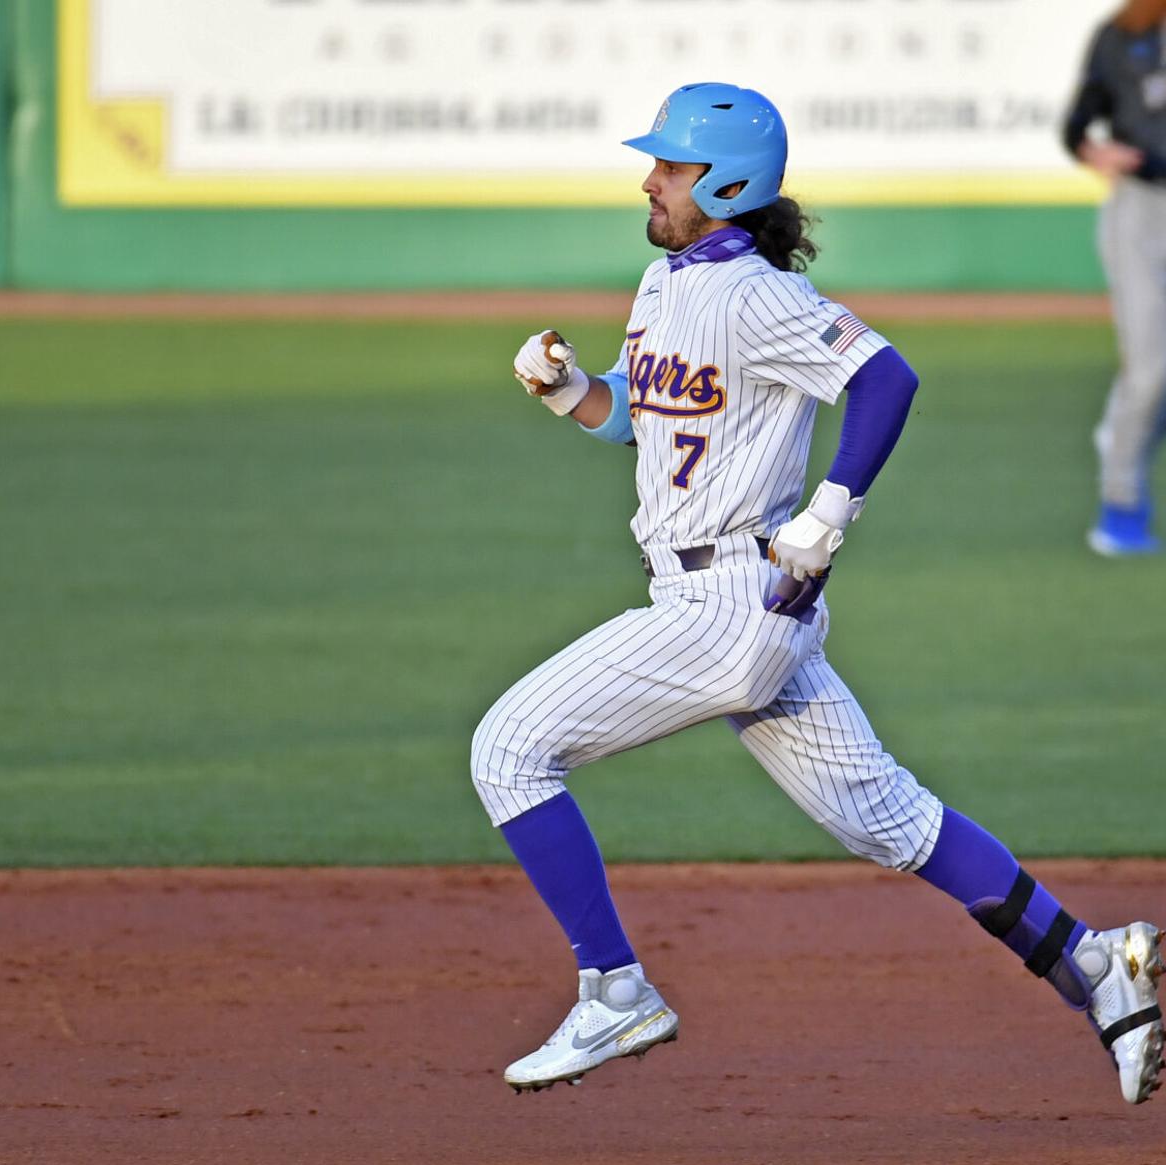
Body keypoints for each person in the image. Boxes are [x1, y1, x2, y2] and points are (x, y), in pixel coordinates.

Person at [470, 82, 1163, 1102]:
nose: (651, 179)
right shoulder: (665, 284)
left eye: (670, 166)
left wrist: (830, 512)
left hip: (725, 609)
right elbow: (642, 416)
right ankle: (1098, 966)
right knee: (889, 817)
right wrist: (572, 391)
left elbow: (887, 378)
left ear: (729, 182)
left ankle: (615, 989)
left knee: (509, 750)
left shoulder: (759, 296)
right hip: (740, 613)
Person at [1064, 0, 1166, 555]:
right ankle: (1121, 504)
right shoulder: (1126, 34)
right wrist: (1090, 148)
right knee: (1150, 371)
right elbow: (1078, 123)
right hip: (1145, 210)